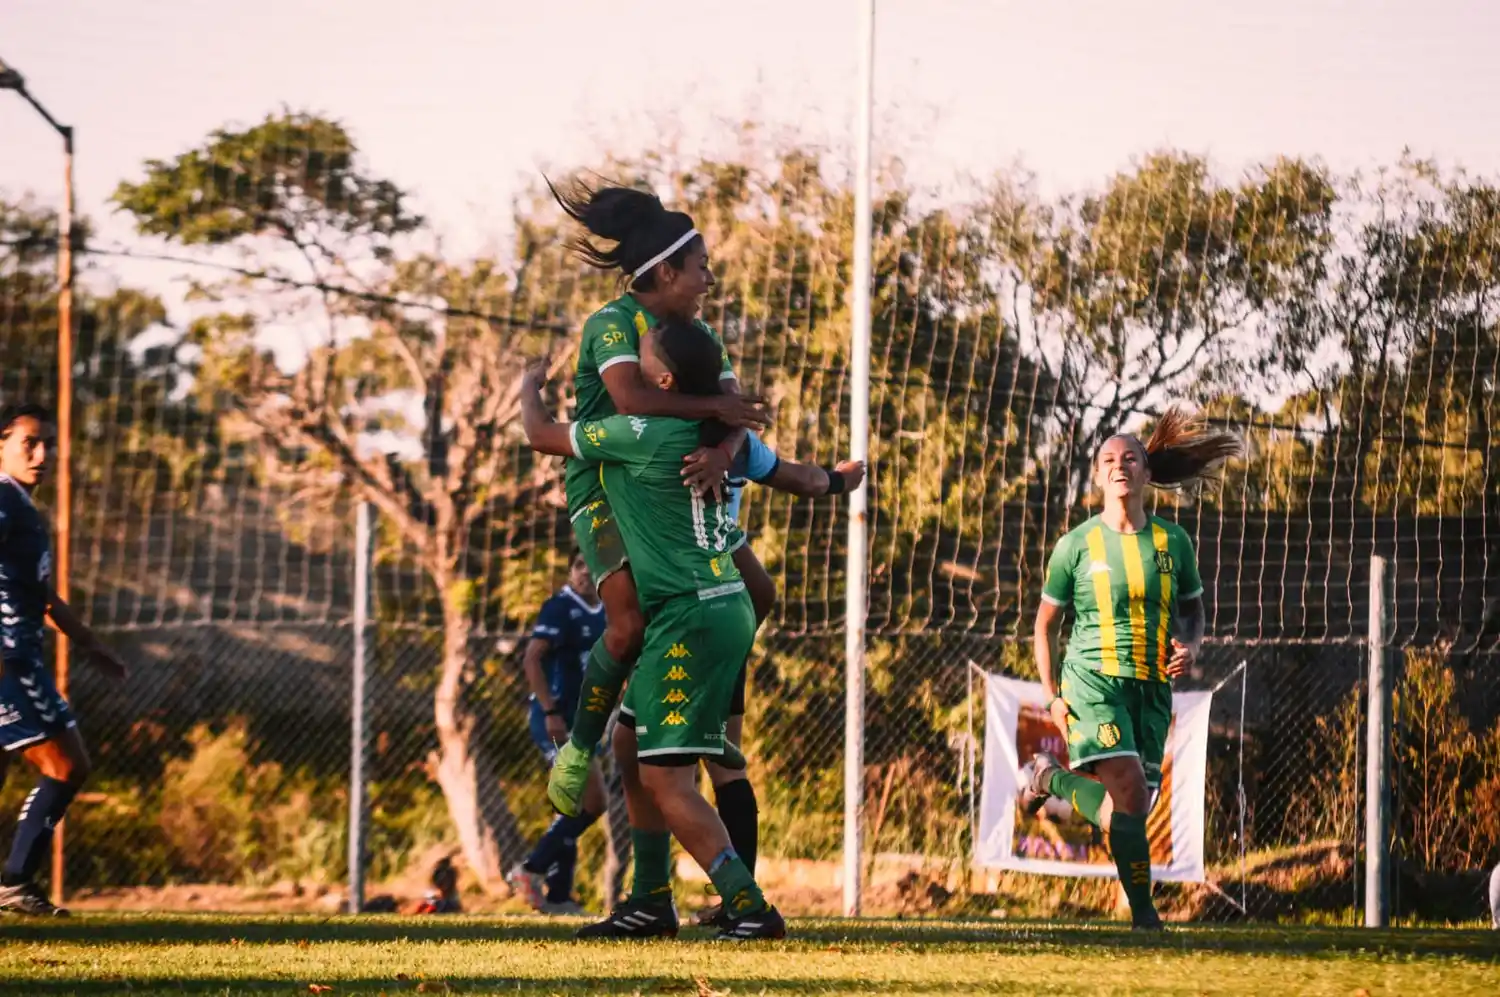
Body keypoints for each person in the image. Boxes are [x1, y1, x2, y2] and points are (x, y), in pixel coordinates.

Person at [520, 319, 785, 940]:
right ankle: (649, 900)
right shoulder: (713, 437)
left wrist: (529, 386)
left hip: (690, 617)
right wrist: (835, 478)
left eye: (642, 353)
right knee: (629, 749)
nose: (630, 356)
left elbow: (539, 434)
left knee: (668, 780)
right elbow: (788, 474)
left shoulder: (637, 433)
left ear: (663, 379)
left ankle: (749, 905)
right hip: (717, 607)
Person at [542, 177, 774, 838]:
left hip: (682, 483)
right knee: (625, 627)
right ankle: (578, 747)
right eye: (700, 266)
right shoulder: (613, 325)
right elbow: (634, 404)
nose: (709, 277)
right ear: (667, 270)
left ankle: (714, 720)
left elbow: (738, 413)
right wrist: (717, 416)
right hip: (608, 484)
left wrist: (728, 450)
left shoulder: (698, 334)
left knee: (756, 589)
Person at [1020, 407, 1241, 930]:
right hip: (1091, 682)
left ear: (1146, 473)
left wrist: (1191, 645)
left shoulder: (1173, 543)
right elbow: (1045, 626)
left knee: (1128, 811)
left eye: (1131, 458)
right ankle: (1146, 918)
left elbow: (1192, 610)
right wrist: (1052, 694)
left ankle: (1049, 778)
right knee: (1130, 792)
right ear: (1098, 475)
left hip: (1151, 687)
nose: (1120, 466)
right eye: (1109, 460)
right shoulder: (1074, 546)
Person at [0, 403, 129, 917]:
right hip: (10, 661)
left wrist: (92, 645)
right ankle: (14, 882)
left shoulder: (21, 508)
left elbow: (43, 597)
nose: (42, 453)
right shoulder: (4, 503)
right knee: (67, 764)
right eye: (29, 442)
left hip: (19, 655)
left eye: (48, 443)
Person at [508, 550, 608, 915]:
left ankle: (552, 889)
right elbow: (532, 657)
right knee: (577, 797)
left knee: (591, 803)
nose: (582, 572)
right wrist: (549, 710)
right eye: (577, 564)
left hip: (583, 723)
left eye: (590, 565)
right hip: (555, 720)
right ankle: (540, 879)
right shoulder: (559, 608)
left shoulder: (609, 610)